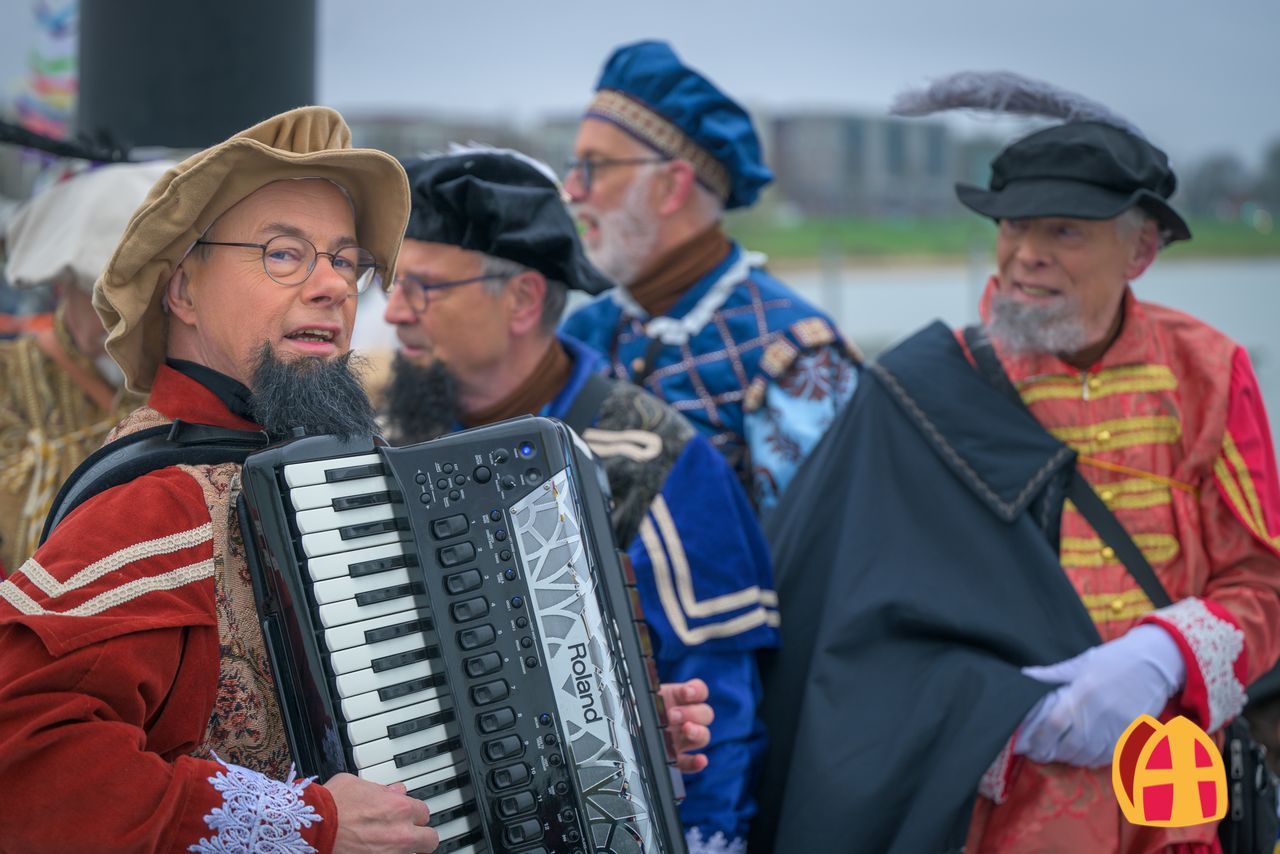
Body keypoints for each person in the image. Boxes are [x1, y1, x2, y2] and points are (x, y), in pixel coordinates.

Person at [753, 73, 1280, 854]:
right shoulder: (927, 390)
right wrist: (991, 708)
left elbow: (1264, 583)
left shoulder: (1211, 372)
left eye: (1064, 231)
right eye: (1012, 226)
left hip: (1175, 796)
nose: (1026, 255)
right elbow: (860, 620)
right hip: (993, 806)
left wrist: (1164, 657)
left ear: (1140, 249)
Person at [381, 146, 775, 854]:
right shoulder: (385, 440)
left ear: (523, 299)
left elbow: (717, 709)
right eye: (392, 282)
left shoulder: (655, 459)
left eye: (424, 287)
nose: (393, 311)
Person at [560, 40, 860, 513]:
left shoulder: (793, 354)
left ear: (671, 185)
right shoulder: (583, 331)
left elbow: (820, 543)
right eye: (573, 167)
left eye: (593, 167)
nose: (571, 189)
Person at [0, 161, 171, 574]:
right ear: (66, 287)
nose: (124, 320)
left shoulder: (186, 376)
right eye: (106, 300)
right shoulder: (10, 375)